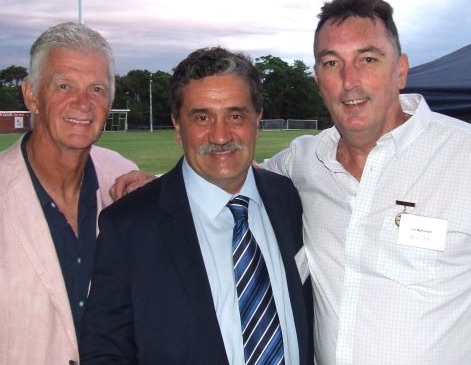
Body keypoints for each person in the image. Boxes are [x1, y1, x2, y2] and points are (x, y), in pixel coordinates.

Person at [261, 0, 471, 364]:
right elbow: (230, 177)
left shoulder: (465, 156)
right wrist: (155, 182)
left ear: (401, 70)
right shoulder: (303, 160)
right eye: (331, 63)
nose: (349, 81)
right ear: (317, 79)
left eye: (368, 59)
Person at [79, 47, 313, 364]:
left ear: (257, 118)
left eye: (235, 115)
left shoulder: (289, 200)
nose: (220, 135)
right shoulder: (128, 226)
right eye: (202, 117)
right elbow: (105, 352)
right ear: (178, 125)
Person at [0, 22, 137, 365]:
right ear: (31, 94)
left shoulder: (123, 177)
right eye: (64, 86)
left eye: (96, 89)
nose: (83, 103)